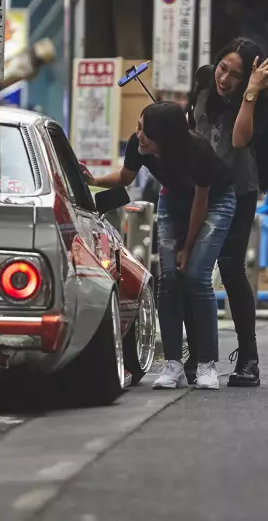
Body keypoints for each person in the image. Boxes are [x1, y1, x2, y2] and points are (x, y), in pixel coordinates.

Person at [82, 101, 236, 390]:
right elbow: (125, 177)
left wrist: (186, 248)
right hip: (174, 200)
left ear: (164, 138)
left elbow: (200, 204)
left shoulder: (197, 151)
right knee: (168, 279)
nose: (138, 134)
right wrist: (94, 181)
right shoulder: (138, 145)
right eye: (139, 127)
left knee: (196, 276)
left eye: (145, 131)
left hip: (214, 201)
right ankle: (173, 364)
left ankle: (207, 364)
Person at [187, 37, 268, 387]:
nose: (224, 79)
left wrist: (251, 92)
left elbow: (240, 140)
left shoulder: (265, 108)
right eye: (223, 68)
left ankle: (249, 357)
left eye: (235, 75)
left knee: (229, 268)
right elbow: (193, 129)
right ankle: (195, 353)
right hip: (198, 188)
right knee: (190, 268)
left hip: (238, 190)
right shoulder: (203, 81)